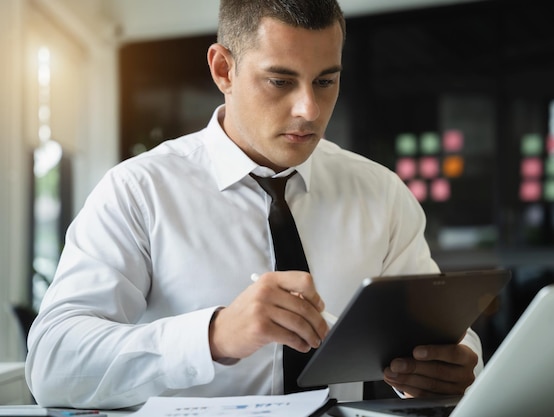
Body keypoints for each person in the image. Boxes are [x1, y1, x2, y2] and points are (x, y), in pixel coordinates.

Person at [25, 0, 483, 409]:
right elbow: (52, 365)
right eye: (280, 81)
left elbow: (439, 333)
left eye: (325, 81)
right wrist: (214, 336)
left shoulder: (381, 193)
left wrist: (455, 367)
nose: (309, 108)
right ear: (224, 69)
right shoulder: (138, 191)